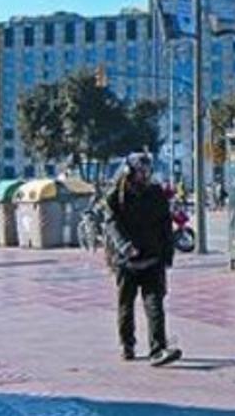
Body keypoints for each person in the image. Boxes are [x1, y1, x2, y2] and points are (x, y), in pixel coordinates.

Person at [102, 152, 182, 366]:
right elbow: (111, 224)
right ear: (129, 171)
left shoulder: (156, 193)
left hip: (152, 258)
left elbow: (165, 225)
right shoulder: (116, 196)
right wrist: (124, 246)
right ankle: (127, 345)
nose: (145, 175)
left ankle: (158, 349)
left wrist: (167, 253)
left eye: (148, 171)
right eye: (141, 171)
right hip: (126, 261)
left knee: (155, 304)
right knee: (126, 304)